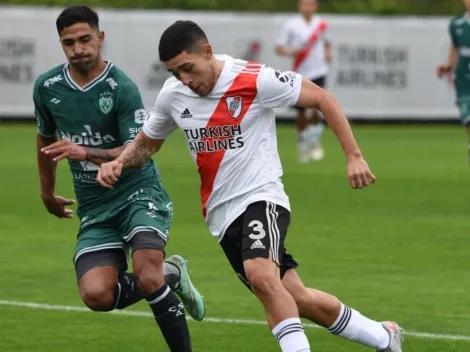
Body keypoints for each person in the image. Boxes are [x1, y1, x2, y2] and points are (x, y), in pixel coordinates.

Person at [97, 20, 403, 352]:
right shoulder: (174, 96)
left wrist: (354, 156)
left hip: (262, 197)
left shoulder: (254, 79)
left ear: (208, 52)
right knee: (294, 297)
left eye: (187, 68)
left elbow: (323, 99)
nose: (184, 79)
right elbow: (146, 144)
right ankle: (384, 337)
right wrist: (119, 161)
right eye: (174, 73)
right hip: (221, 216)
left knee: (261, 275)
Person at [34, 7, 204, 351]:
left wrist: (87, 153)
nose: (79, 48)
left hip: (138, 193)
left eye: (85, 39)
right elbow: (45, 140)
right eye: (69, 43)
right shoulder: (47, 87)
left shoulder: (121, 87)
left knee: (147, 275)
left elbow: (135, 153)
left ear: (100, 38)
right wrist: (48, 193)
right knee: (96, 295)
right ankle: (173, 274)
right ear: (61, 45)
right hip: (95, 205)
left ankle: (162, 282)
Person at [275, 0, 332, 163]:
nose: (308, 7)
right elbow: (279, 47)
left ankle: (315, 141)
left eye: (311, 4)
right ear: (300, 6)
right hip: (299, 73)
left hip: (319, 71)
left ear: (316, 6)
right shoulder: (291, 25)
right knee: (301, 112)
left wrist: (328, 54)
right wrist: (290, 52)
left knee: (317, 108)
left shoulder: (321, 24)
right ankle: (303, 145)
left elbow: (327, 43)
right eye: (305, 4)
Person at [437, 0, 470, 163]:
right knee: (468, 116)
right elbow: (455, 48)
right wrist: (448, 66)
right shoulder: (456, 25)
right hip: (464, 79)